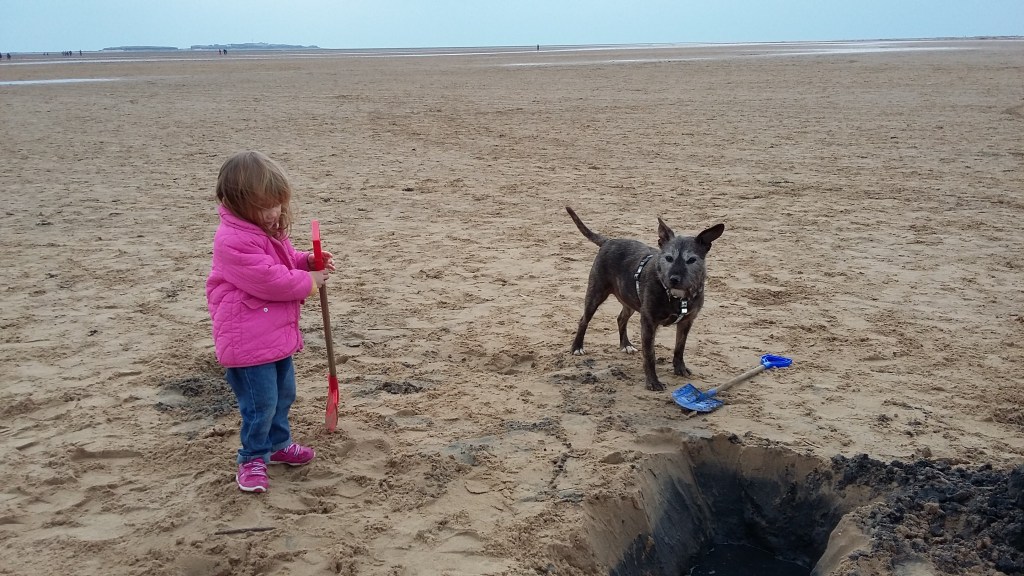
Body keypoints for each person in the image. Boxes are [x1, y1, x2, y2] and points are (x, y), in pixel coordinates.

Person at [206, 150, 335, 493]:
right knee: (260, 404)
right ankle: (252, 457)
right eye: (264, 206)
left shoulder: (267, 231)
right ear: (236, 202)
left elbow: (284, 261)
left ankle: (278, 444)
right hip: (247, 342)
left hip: (272, 336)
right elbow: (269, 279)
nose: (273, 212)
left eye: (276, 204)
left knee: (283, 395)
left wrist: (306, 262)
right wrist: (309, 283)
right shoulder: (232, 240)